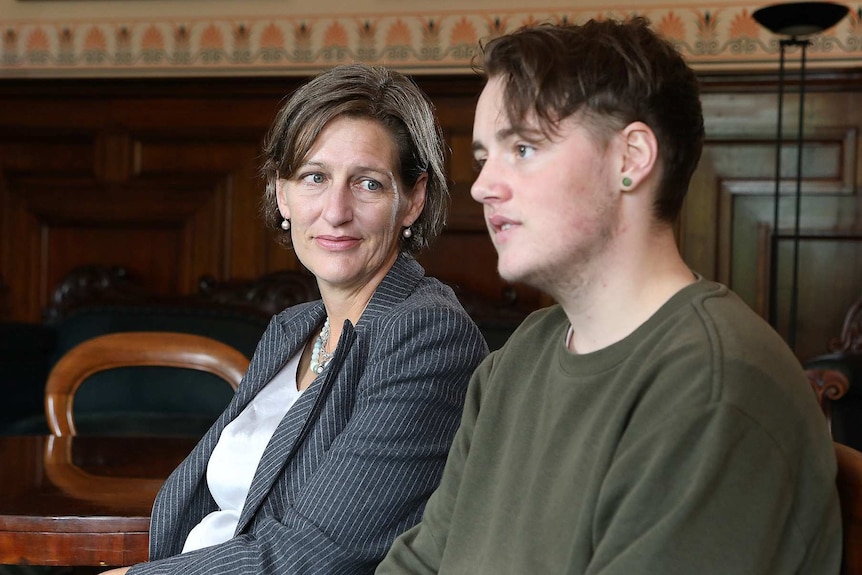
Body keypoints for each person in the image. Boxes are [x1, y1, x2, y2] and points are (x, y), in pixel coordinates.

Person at [377, 18, 841, 574]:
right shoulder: (521, 357)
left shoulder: (715, 387)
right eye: (482, 158)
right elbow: (419, 563)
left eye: (522, 148)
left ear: (630, 159)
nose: (481, 186)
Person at [102, 63, 488, 575]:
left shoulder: (428, 335)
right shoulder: (292, 330)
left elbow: (320, 553)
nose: (335, 210)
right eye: (315, 177)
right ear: (282, 193)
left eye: (368, 184)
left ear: (413, 200)